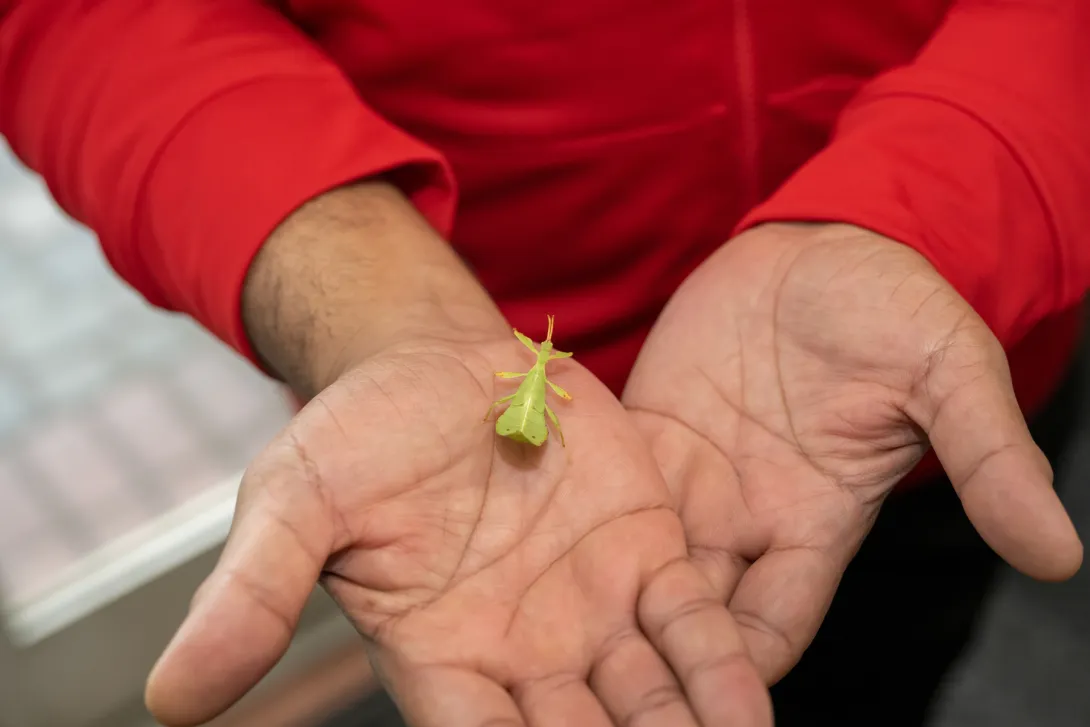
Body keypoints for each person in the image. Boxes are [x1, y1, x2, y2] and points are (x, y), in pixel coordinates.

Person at [1, 2, 1086, 726]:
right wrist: (374, 300)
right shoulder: (525, 388)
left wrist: (960, 185)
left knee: (875, 673)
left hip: (912, 400)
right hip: (464, 447)